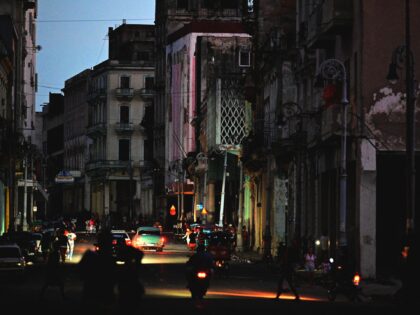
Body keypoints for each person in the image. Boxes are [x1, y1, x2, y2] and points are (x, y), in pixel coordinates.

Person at [78, 230, 118, 312]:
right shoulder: (110, 260)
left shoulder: (90, 256)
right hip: (103, 298)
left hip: (92, 297)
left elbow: (80, 274)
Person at [117, 245, 145, 311]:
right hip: (134, 291)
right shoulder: (134, 265)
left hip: (127, 292)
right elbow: (140, 254)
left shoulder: (123, 268)